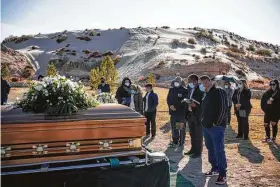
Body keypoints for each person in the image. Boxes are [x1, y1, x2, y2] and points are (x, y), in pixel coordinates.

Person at [200, 75, 228, 185]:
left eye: (207, 81)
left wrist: (217, 123)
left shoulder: (219, 91)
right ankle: (215, 168)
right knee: (210, 148)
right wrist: (202, 120)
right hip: (206, 127)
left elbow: (223, 108)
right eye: (203, 82)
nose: (205, 84)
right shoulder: (206, 94)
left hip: (216, 127)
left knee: (219, 150)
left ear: (212, 81)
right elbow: (204, 110)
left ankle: (222, 174)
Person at [184, 74, 204, 158]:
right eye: (188, 82)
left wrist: (196, 105)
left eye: (190, 81)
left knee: (198, 135)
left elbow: (203, 103)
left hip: (197, 115)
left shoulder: (200, 90)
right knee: (192, 134)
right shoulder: (190, 89)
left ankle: (198, 152)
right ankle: (193, 149)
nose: (189, 83)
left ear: (196, 81)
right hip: (190, 114)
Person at [167, 77, 188, 148]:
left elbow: (184, 101)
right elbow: (168, 98)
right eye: (175, 81)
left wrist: (176, 106)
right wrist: (170, 105)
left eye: (178, 81)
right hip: (173, 113)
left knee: (180, 128)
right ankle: (175, 141)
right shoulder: (171, 89)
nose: (176, 82)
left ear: (181, 82)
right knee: (174, 128)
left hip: (180, 113)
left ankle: (181, 143)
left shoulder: (184, 90)